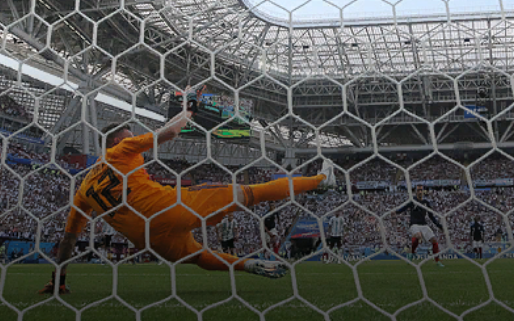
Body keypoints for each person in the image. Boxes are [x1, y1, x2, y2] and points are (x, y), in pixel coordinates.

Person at [39, 87, 336, 295]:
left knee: (196, 255)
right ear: (116, 142)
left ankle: (247, 265)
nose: (136, 141)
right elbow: (170, 132)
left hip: (148, 240)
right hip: (170, 209)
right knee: (251, 193)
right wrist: (190, 109)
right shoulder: (123, 149)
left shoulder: (83, 188)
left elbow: (68, 240)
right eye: (130, 137)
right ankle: (321, 180)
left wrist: (59, 278)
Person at [396, 185, 445, 267]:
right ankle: (411, 253)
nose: (419, 192)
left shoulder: (426, 203)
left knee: (434, 241)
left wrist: (439, 226)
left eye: (421, 190)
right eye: (418, 190)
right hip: (414, 224)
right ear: (416, 191)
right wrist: (396, 212)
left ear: (423, 191)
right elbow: (403, 208)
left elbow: (431, 216)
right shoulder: (412, 201)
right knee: (418, 236)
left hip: (424, 224)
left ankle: (437, 261)